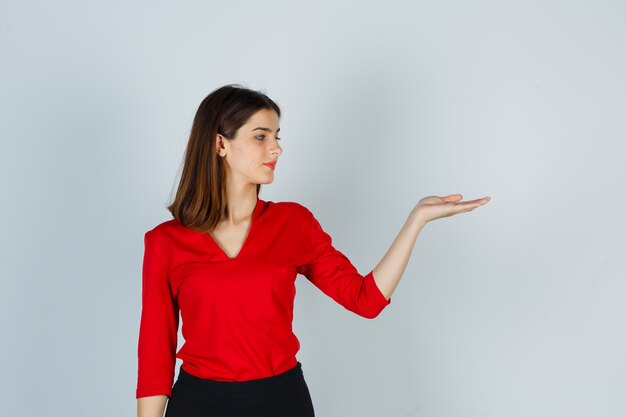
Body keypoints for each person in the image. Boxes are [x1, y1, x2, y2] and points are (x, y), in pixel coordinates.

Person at [135, 84, 492, 417]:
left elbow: (365, 300)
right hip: (200, 403)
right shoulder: (166, 242)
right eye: (261, 136)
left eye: (277, 137)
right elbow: (155, 358)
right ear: (219, 144)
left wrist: (416, 220)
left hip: (282, 400)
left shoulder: (293, 223)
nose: (276, 148)